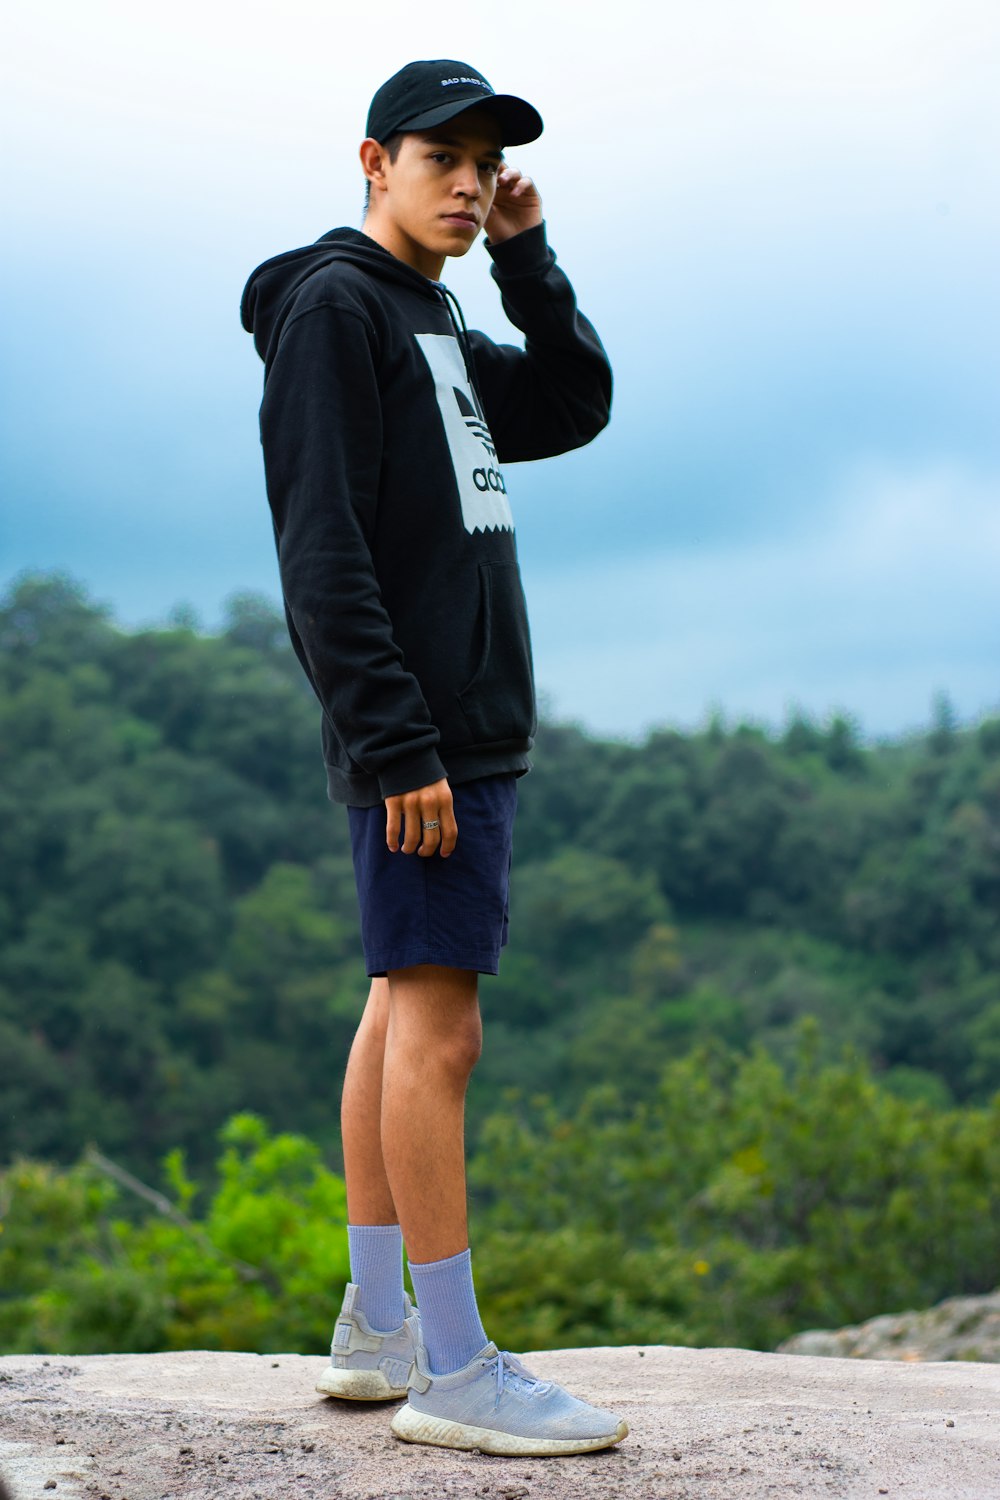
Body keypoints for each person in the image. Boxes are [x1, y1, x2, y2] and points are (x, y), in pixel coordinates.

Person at [240, 59, 625, 1457]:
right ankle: (456, 1369)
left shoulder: (435, 315)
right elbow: (320, 548)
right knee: (442, 1033)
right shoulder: (339, 312)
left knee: (399, 1006)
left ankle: (375, 1326)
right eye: (441, 158)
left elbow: (575, 404)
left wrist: (529, 260)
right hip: (428, 739)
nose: (466, 182)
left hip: (456, 730)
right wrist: (398, 738)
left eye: (484, 163)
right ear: (371, 159)